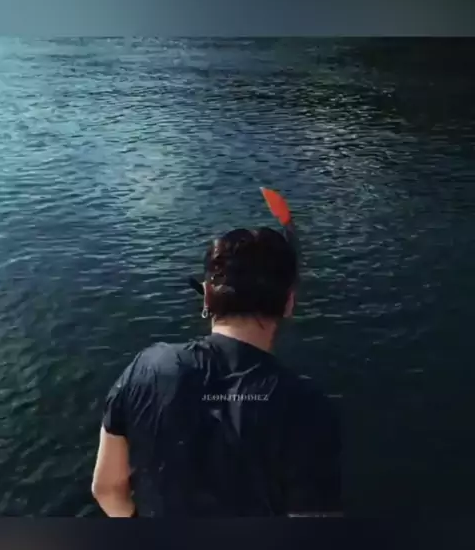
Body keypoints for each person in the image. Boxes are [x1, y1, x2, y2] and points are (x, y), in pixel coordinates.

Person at [91, 193, 342, 517]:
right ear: (288, 304)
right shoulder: (306, 405)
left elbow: (106, 489)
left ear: (207, 296)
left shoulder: (146, 368)